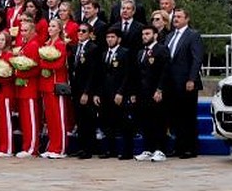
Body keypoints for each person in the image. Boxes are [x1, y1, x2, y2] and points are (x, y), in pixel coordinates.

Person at [164, 8, 203, 159]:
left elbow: (197, 58)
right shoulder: (169, 36)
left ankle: (190, 148)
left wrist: (191, 79)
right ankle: (179, 147)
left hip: (187, 82)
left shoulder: (193, 35)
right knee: (176, 117)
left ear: (187, 19)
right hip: (172, 84)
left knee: (188, 116)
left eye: (179, 17)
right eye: (175, 17)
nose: (175, 19)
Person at [132, 24, 169, 163]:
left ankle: (160, 150)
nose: (144, 36)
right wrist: (134, 92)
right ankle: (148, 149)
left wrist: (160, 89)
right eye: (143, 34)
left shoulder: (161, 49)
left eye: (147, 34)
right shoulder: (141, 52)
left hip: (156, 92)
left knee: (159, 120)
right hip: (142, 93)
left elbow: (165, 71)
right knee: (145, 121)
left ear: (155, 35)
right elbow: (137, 74)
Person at [96, 26, 133, 160]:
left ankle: (127, 151)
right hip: (105, 93)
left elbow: (127, 75)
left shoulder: (125, 53)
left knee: (123, 123)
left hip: (119, 93)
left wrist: (121, 92)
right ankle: (110, 150)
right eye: (108, 37)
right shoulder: (104, 53)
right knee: (108, 123)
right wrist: (98, 93)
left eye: (112, 37)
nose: (110, 40)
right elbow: (100, 75)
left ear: (119, 39)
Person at [39, 18, 70, 159]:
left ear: (59, 29)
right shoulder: (47, 44)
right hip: (46, 84)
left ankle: (60, 148)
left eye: (53, 26)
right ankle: (52, 146)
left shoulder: (60, 44)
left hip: (57, 84)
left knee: (59, 117)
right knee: (50, 118)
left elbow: (59, 64)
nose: (50, 29)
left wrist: (45, 64)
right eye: (49, 26)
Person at [70, 21, 101, 159]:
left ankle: (89, 149)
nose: (80, 33)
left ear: (90, 34)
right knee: (79, 119)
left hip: (86, 89)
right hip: (76, 88)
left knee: (88, 119)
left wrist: (87, 92)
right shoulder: (75, 47)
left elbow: (93, 73)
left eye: (83, 31)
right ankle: (81, 147)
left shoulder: (93, 48)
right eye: (79, 31)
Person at [13, 16, 41, 158]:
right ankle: (26, 145)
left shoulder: (33, 45)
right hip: (23, 88)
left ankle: (32, 148)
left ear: (32, 31)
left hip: (30, 87)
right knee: (25, 119)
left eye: (25, 31)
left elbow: (35, 68)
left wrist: (21, 73)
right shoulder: (25, 45)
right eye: (21, 31)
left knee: (30, 119)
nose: (22, 33)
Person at [0, 31, 16, 157]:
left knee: (6, 119)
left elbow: (10, 76)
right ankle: (2, 146)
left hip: (7, 91)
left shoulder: (9, 55)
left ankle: (8, 148)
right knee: (0, 119)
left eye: (2, 40)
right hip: (0, 91)